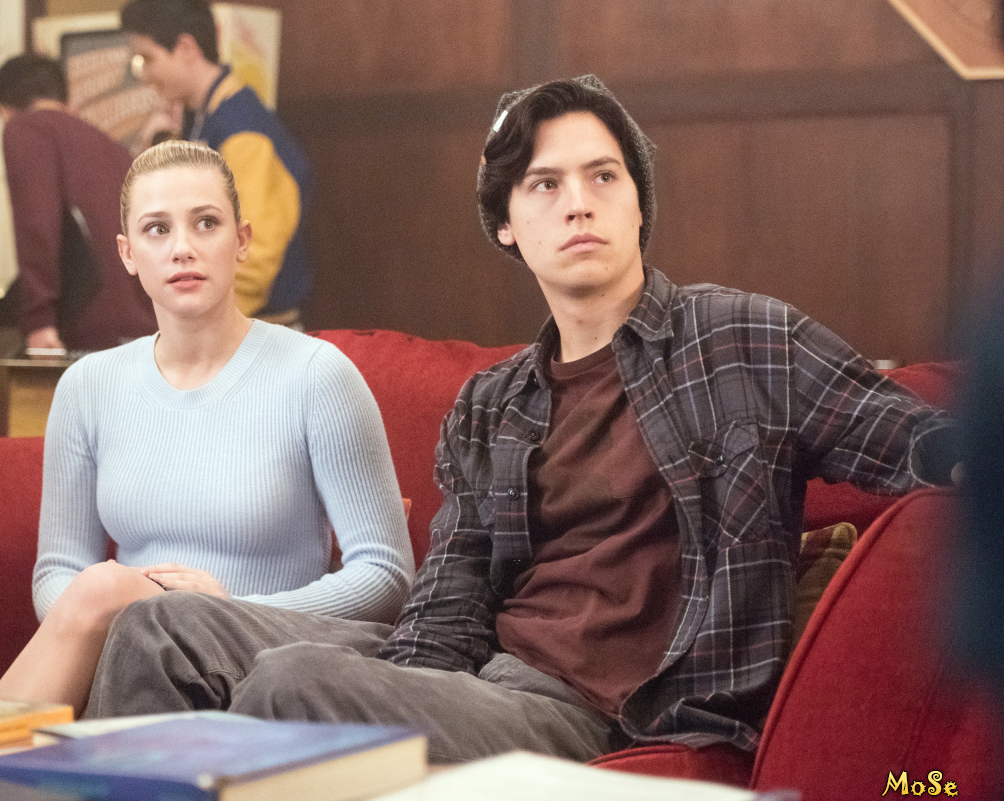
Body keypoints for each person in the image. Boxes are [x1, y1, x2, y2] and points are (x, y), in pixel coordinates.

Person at [82, 76, 961, 764]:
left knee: (294, 684)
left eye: (603, 176)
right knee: (159, 627)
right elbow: (451, 600)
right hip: (480, 679)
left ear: (638, 202)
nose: (579, 202)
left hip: (600, 714)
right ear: (506, 223)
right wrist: (386, 684)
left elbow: (922, 443)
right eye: (545, 184)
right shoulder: (493, 402)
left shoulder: (742, 341)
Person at [0, 140, 413, 715]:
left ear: (242, 240)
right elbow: (58, 572)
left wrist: (226, 610)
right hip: (128, 650)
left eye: (206, 223)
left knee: (111, 589)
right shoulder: (86, 386)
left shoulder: (318, 375)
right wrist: (135, 612)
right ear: (127, 253)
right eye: (157, 229)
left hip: (265, 654)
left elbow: (386, 574)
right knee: (105, 590)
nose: (182, 248)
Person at [120, 0, 312, 328]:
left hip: (256, 327)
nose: (145, 75)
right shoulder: (203, 118)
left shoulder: (241, 127)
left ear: (186, 47)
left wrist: (198, 323)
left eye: (147, 59)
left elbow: (256, 253)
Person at [0, 54, 158, 353]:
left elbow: (37, 225)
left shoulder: (26, 130)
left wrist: (38, 320)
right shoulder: (114, 148)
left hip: (87, 330)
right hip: (145, 327)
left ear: (3, 110)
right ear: (65, 100)